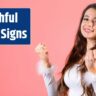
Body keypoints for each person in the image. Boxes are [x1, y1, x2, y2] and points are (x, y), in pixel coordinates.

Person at [35, 3, 96, 96]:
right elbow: (55, 93)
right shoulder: (78, 53)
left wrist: (92, 70)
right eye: (86, 19)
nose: (90, 24)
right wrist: (45, 63)